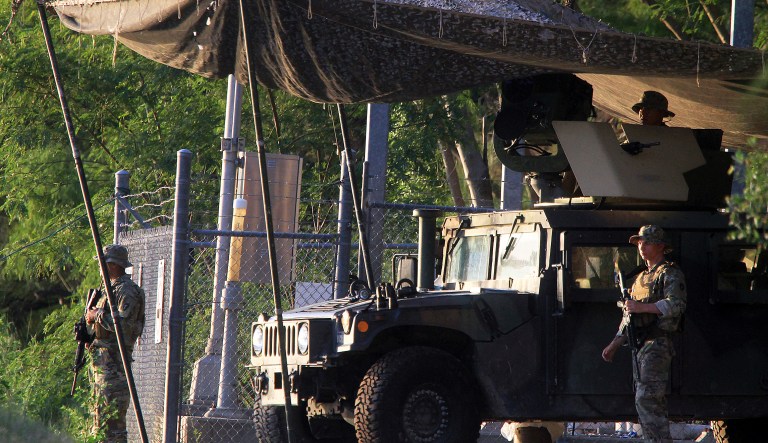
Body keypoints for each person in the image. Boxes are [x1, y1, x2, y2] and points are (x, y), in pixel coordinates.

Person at [601, 225, 686, 443]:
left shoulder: (669, 272)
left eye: (646, 242)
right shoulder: (640, 278)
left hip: (658, 343)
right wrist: (614, 344)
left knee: (647, 399)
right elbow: (628, 316)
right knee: (646, 402)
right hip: (640, 345)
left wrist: (643, 308)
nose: (641, 247)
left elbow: (676, 305)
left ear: (660, 246)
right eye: (639, 242)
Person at [85, 244, 145, 443]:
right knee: (100, 422)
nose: (100, 268)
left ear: (112, 265)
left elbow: (124, 326)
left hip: (115, 367)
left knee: (113, 427)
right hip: (103, 366)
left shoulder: (126, 291)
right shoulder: (108, 290)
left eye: (103, 263)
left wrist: (97, 315)